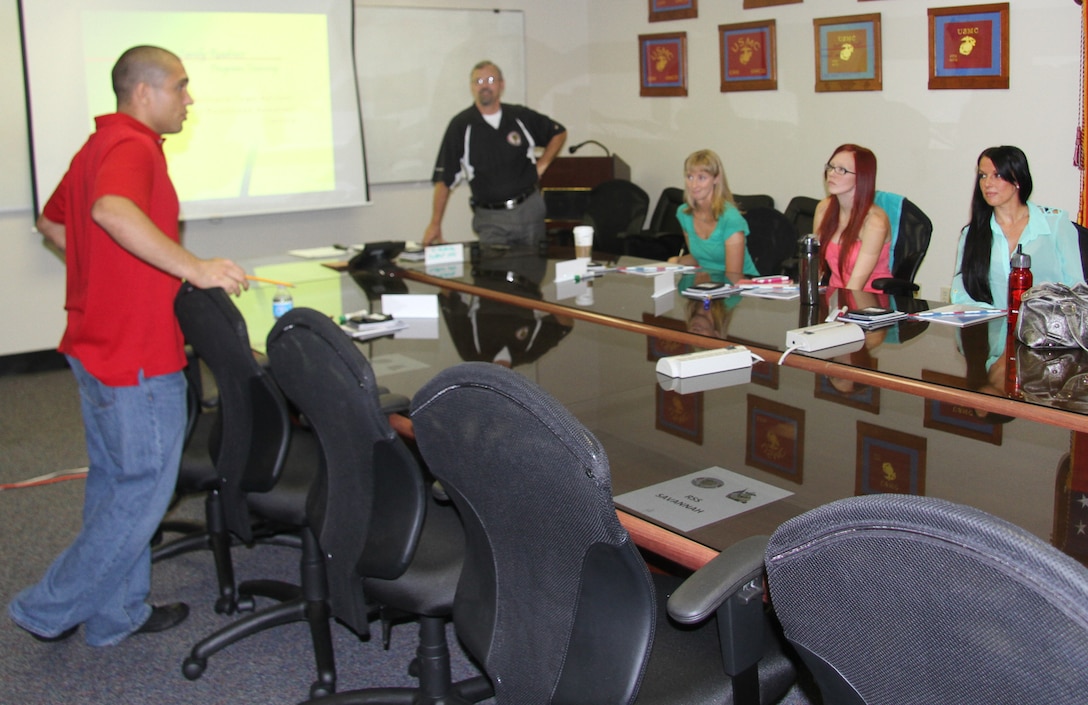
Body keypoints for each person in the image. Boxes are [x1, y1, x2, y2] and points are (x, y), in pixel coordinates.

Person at [10, 46, 248, 646]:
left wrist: (107, 274)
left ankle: (118, 613)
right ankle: (46, 608)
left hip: (95, 344)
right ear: (144, 93)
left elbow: (53, 223)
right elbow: (112, 211)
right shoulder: (132, 147)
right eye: (180, 86)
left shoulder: (99, 144)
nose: (189, 99)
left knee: (115, 483)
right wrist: (192, 267)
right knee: (142, 492)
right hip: (134, 355)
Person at [423, 60, 567, 250]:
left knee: (533, 273)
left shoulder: (519, 116)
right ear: (472, 87)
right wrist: (435, 223)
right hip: (491, 219)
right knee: (495, 275)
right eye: (478, 81)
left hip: (529, 212)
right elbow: (444, 180)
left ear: (501, 84)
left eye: (490, 79)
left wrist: (542, 165)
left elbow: (558, 132)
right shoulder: (461, 125)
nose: (484, 85)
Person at [951, 145, 1084, 308]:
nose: (987, 183)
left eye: (997, 175)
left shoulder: (1055, 224)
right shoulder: (972, 233)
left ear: (1018, 180)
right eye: (983, 176)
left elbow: (1077, 288)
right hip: (991, 327)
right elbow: (961, 294)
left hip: (1046, 327)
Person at [812, 144, 893, 293]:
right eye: (831, 167)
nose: (831, 174)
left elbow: (856, 285)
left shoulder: (875, 222)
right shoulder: (823, 208)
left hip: (868, 300)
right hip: (835, 296)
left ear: (861, 177)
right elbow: (816, 266)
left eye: (841, 170)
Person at [669, 149, 759, 277]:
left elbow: (734, 277)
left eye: (702, 178)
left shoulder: (730, 218)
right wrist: (678, 261)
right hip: (708, 283)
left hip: (741, 287)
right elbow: (701, 257)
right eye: (690, 177)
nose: (694, 185)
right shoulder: (684, 213)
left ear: (716, 179)